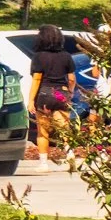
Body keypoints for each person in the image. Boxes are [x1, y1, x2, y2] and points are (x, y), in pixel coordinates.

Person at [24, 23, 77, 161]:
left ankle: (44, 163)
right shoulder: (66, 56)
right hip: (61, 94)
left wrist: (30, 101)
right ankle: (70, 154)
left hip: (44, 94)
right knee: (64, 128)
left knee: (43, 131)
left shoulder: (38, 57)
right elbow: (71, 79)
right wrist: (69, 93)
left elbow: (36, 79)